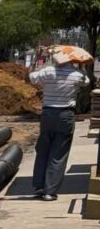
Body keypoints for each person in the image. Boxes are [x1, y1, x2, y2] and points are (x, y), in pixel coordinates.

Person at [29, 53, 90, 201]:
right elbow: (87, 82)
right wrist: (81, 65)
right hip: (65, 116)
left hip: (48, 115)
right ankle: (50, 192)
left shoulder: (48, 72)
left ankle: (39, 186)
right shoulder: (77, 75)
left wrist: (36, 59)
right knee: (58, 154)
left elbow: (31, 77)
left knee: (43, 150)